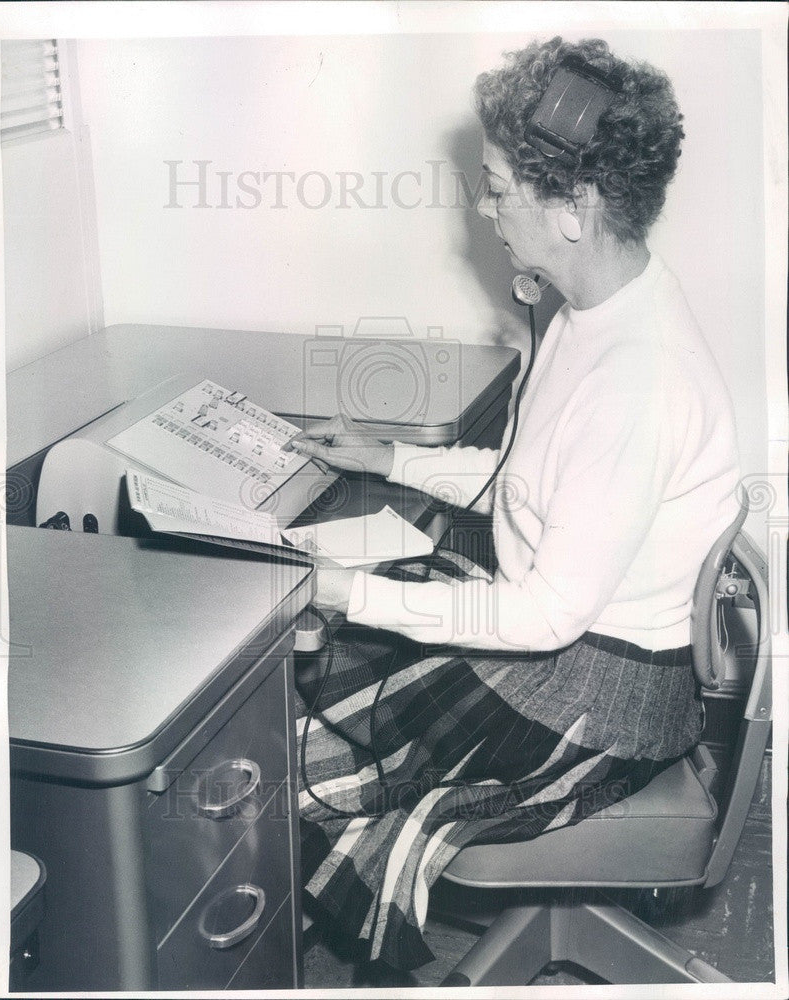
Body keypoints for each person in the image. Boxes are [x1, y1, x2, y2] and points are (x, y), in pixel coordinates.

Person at [286, 36, 740, 973]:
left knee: (309, 748)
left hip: (597, 693)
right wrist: (399, 459)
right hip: (576, 636)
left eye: (496, 186)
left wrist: (348, 594)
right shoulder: (601, 305)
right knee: (345, 642)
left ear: (574, 209)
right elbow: (532, 479)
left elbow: (540, 616)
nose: (483, 208)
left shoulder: (640, 380)